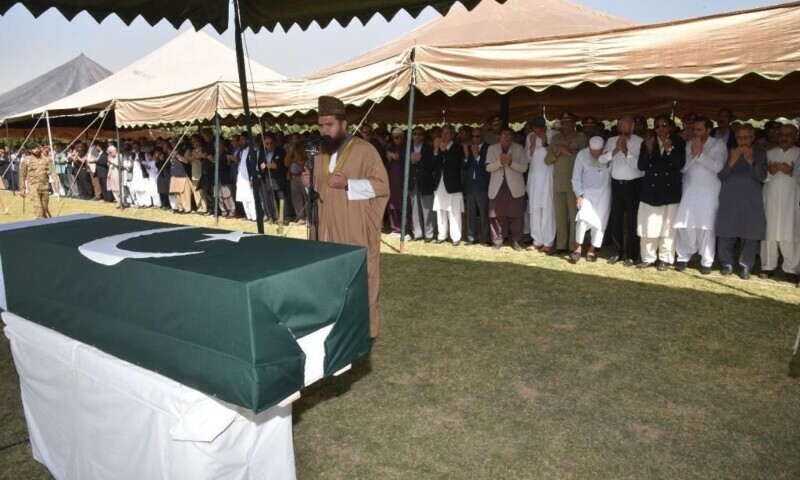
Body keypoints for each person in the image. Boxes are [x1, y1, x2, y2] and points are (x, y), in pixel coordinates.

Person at [301, 95, 389, 338]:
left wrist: (349, 183)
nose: (323, 130)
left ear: (344, 124)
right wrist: (309, 183)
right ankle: (332, 325)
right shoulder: (320, 153)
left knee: (358, 278)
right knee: (329, 277)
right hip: (326, 228)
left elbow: (382, 187)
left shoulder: (365, 150)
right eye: (320, 125)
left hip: (354, 228)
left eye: (329, 124)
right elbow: (321, 191)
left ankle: (362, 330)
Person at [673, 117, 728, 275]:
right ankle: (684, 256)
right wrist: (695, 154)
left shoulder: (719, 144)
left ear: (708, 130)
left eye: (699, 130)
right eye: (694, 129)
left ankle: (707, 261)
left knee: (706, 226)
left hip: (709, 191)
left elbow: (717, 167)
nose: (695, 133)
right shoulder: (689, 144)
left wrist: (701, 155)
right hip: (689, 189)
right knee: (685, 223)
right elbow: (683, 168)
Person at [715, 124, 767, 280]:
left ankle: (745, 266)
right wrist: (731, 161)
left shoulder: (760, 153)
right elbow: (720, 175)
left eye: (746, 137)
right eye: (739, 137)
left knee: (749, 233)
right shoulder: (729, 150)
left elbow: (761, 177)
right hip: (729, 197)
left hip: (750, 198)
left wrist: (751, 161)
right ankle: (726, 264)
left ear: (752, 138)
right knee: (726, 232)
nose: (742, 140)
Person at [638, 115, 686, 271]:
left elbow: (680, 165)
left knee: (668, 227)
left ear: (670, 127)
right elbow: (642, 166)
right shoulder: (647, 143)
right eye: (657, 126)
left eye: (664, 125)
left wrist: (669, 149)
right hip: (651, 190)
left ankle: (665, 258)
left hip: (669, 190)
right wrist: (650, 150)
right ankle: (648, 258)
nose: (661, 129)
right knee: (649, 225)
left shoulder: (678, 142)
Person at [600, 116, 644, 266]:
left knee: (633, 221)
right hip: (617, 184)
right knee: (616, 219)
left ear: (633, 128)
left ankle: (632, 254)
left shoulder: (639, 141)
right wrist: (616, 150)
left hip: (633, 185)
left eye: (627, 129)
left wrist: (625, 151)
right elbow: (602, 160)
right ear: (619, 128)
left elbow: (638, 165)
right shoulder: (612, 141)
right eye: (622, 128)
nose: (624, 132)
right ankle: (617, 252)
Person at [761, 124, 800, 282]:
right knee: (769, 232)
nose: (784, 137)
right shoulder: (769, 153)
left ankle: (791, 268)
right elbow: (759, 177)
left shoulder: (799, 154)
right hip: (770, 199)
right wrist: (769, 172)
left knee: (790, 233)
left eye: (788, 134)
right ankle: (768, 266)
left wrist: (791, 173)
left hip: (792, 200)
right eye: (781, 134)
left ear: (796, 136)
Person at [546, 112, 588, 255]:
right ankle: (561, 245)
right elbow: (547, 160)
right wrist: (558, 152)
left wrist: (570, 152)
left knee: (574, 215)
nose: (565, 126)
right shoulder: (556, 139)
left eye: (568, 123)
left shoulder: (581, 138)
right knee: (560, 215)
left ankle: (573, 246)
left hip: (574, 183)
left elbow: (586, 158)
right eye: (563, 123)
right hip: (559, 182)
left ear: (574, 124)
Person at [569, 137, 612, 263]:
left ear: (602, 149)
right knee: (582, 218)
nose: (594, 155)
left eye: (597, 152)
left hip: (604, 193)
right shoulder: (582, 155)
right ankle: (577, 249)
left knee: (600, 222)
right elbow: (575, 177)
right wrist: (579, 195)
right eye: (592, 152)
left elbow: (611, 171)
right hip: (586, 192)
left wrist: (608, 161)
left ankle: (592, 250)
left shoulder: (608, 155)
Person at [486, 127, 529, 250]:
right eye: (504, 135)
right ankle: (497, 241)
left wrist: (510, 163)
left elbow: (524, 168)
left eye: (510, 135)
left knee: (516, 215)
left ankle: (516, 241)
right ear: (499, 136)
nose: (507, 137)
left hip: (514, 187)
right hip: (497, 187)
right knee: (496, 216)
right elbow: (488, 168)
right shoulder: (492, 148)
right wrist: (500, 162)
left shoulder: (519, 149)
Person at [526, 117, 556, 252]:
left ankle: (548, 242)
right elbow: (527, 158)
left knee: (548, 209)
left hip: (548, 176)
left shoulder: (553, 135)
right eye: (535, 128)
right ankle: (537, 240)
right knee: (535, 209)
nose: (537, 130)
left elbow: (554, 154)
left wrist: (545, 142)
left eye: (539, 127)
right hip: (534, 177)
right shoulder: (530, 136)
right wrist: (532, 145)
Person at [432, 124, 465, 246]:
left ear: (452, 134)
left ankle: (456, 237)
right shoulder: (439, 148)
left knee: (454, 211)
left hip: (452, 184)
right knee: (440, 210)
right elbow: (433, 166)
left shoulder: (457, 148)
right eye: (443, 133)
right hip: (439, 183)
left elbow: (455, 163)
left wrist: (444, 149)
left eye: (447, 133)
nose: (444, 135)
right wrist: (436, 150)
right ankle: (442, 235)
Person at [462, 126, 491, 245]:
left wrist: (478, 156)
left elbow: (487, 167)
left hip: (482, 185)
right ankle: (472, 237)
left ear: (482, 136)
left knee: (484, 213)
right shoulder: (468, 148)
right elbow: (464, 167)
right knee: (471, 213)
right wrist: (467, 155)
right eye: (473, 136)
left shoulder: (488, 148)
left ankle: (486, 238)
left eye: (477, 136)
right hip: (470, 185)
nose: (475, 138)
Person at [408, 127, 436, 242]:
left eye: (420, 134)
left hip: (425, 181)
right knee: (415, 209)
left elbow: (433, 166)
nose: (417, 136)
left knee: (427, 208)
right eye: (415, 134)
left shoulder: (429, 148)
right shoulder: (408, 148)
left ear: (424, 136)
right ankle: (417, 233)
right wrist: (411, 160)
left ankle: (429, 234)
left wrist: (420, 160)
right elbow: (403, 166)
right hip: (413, 182)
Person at [18, 141, 60, 218]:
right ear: (30, 150)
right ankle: (40, 223)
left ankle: (45, 222)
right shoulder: (26, 160)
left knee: (44, 208)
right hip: (33, 186)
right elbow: (22, 176)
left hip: (45, 186)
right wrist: (22, 189)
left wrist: (56, 182)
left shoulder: (47, 160)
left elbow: (53, 172)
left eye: (38, 148)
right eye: (34, 149)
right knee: (38, 207)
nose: (36, 150)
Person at [385, 128, 411, 237]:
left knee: (404, 205)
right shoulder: (391, 148)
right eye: (394, 137)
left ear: (402, 137)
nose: (395, 139)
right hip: (393, 181)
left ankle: (407, 229)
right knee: (393, 205)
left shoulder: (406, 148)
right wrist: (389, 158)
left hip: (403, 180)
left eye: (398, 136)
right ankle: (395, 228)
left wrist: (398, 158)